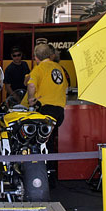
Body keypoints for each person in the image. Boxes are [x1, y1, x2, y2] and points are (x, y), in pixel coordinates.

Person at [27, 43, 68, 183]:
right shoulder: (59, 68)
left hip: (46, 111)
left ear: (36, 57)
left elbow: (31, 85)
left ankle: (43, 176)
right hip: (59, 111)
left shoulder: (39, 69)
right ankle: (52, 173)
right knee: (50, 142)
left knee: (41, 142)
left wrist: (30, 99)